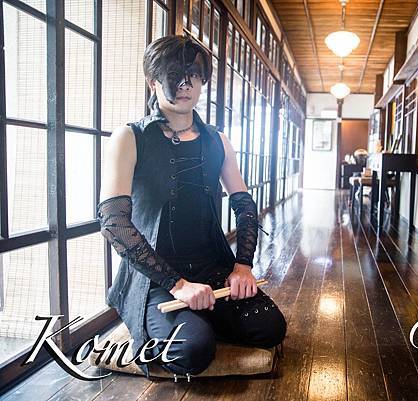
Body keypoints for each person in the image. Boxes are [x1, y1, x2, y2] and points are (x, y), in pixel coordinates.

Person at [96, 34, 287, 380]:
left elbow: (244, 204)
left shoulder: (218, 140)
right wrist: (177, 284)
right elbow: (113, 222)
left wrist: (243, 266)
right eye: (175, 75)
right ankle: (174, 321)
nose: (186, 85)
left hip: (213, 269)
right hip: (156, 279)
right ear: (153, 81)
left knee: (270, 327)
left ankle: (197, 317)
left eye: (195, 76)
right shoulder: (130, 137)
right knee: (193, 350)